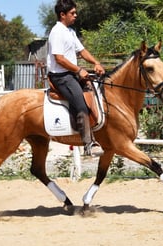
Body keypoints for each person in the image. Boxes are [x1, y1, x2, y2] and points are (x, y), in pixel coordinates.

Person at [47, 0, 104, 157]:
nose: (75, 15)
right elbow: (59, 59)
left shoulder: (70, 32)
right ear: (62, 15)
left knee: (96, 90)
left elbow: (82, 51)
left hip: (71, 73)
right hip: (61, 76)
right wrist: (79, 69)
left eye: (75, 12)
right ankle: (88, 143)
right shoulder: (57, 32)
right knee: (81, 103)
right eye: (72, 13)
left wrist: (96, 63)